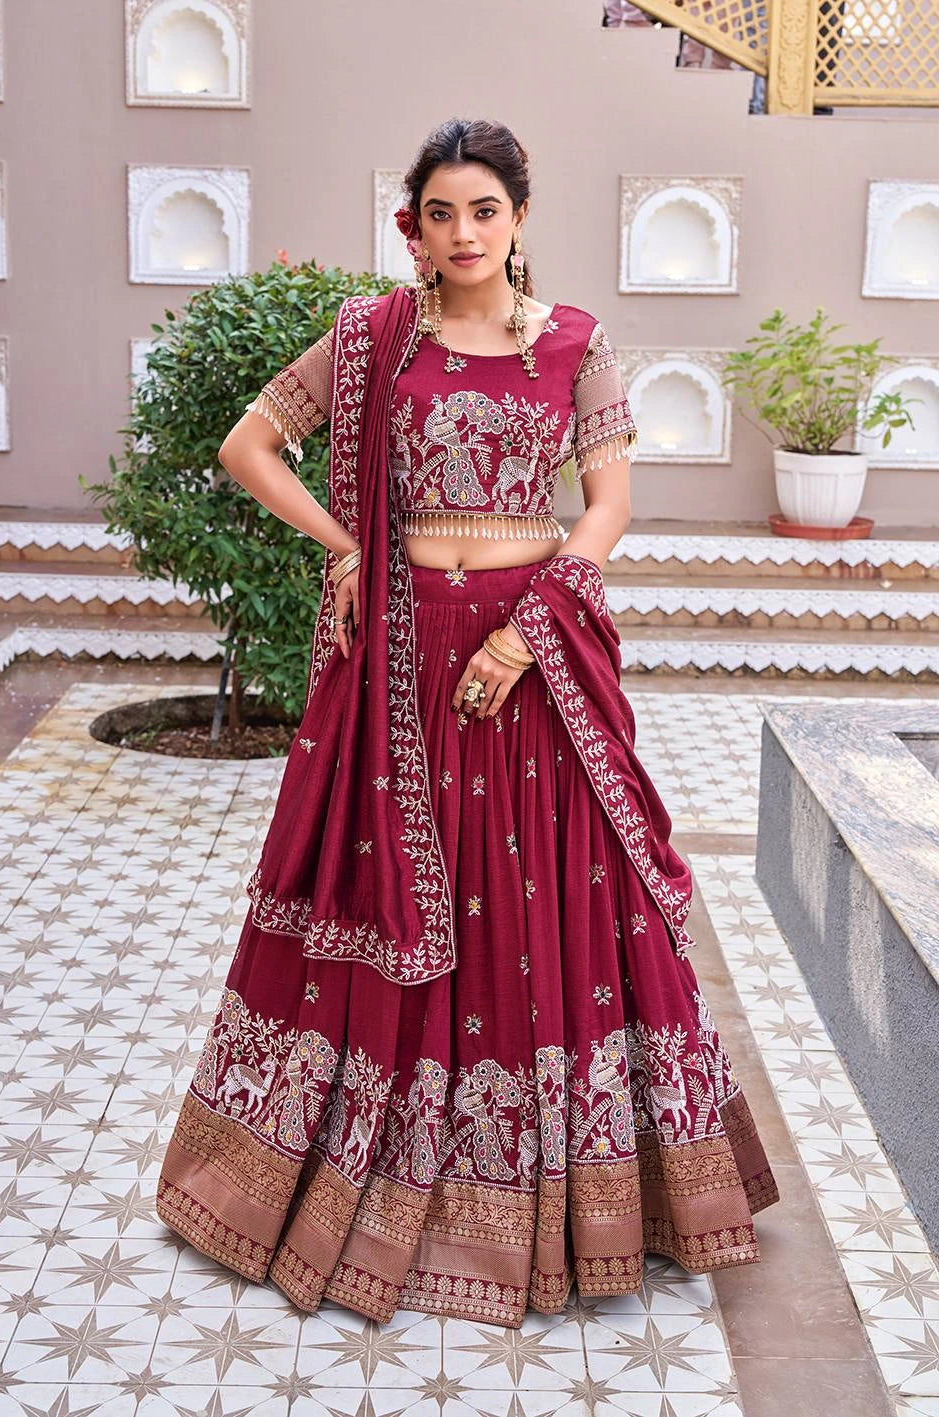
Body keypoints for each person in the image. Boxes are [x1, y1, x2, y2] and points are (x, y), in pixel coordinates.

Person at [155, 116, 779, 1330]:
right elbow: (251, 444)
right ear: (416, 225)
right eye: (440, 213)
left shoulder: (577, 347)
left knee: (544, 900)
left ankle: (576, 1197)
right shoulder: (374, 340)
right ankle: (353, 1178)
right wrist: (348, 546)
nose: (463, 234)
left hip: (528, 649)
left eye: (483, 211)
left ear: (519, 219)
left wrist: (525, 631)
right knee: (380, 889)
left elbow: (606, 507)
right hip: (400, 646)